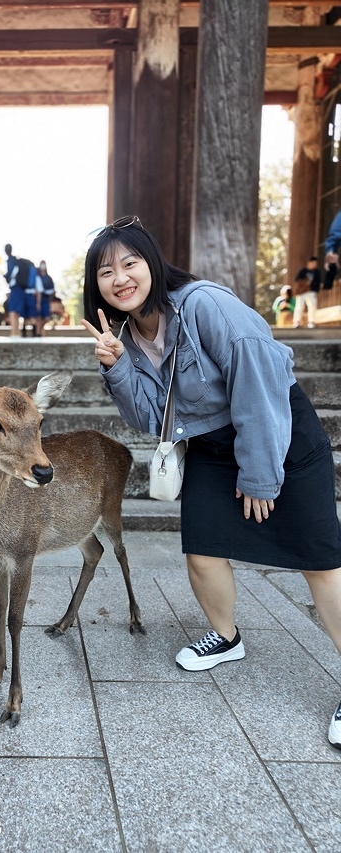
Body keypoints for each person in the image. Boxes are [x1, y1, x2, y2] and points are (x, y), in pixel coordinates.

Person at [81, 215, 341, 751]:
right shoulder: (127, 336)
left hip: (280, 434)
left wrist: (262, 476)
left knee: (319, 563)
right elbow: (150, 417)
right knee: (202, 551)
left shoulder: (205, 305)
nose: (120, 277)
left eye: (130, 263)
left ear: (152, 262)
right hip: (211, 447)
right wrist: (115, 367)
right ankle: (226, 637)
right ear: (97, 286)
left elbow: (260, 388)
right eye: (106, 272)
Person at [293, 256, 320, 329]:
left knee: (312, 306)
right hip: (302, 291)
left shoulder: (316, 272)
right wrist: (304, 282)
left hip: (312, 291)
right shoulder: (303, 270)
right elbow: (296, 279)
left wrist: (317, 291)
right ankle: (297, 321)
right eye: (313, 263)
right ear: (309, 263)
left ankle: (311, 322)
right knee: (299, 306)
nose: (314, 265)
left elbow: (318, 282)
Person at [35, 260, 56, 337]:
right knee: (39, 318)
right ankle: (38, 333)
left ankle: (38, 331)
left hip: (46, 299)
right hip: (38, 299)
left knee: (46, 318)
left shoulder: (48, 278)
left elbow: (53, 289)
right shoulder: (37, 277)